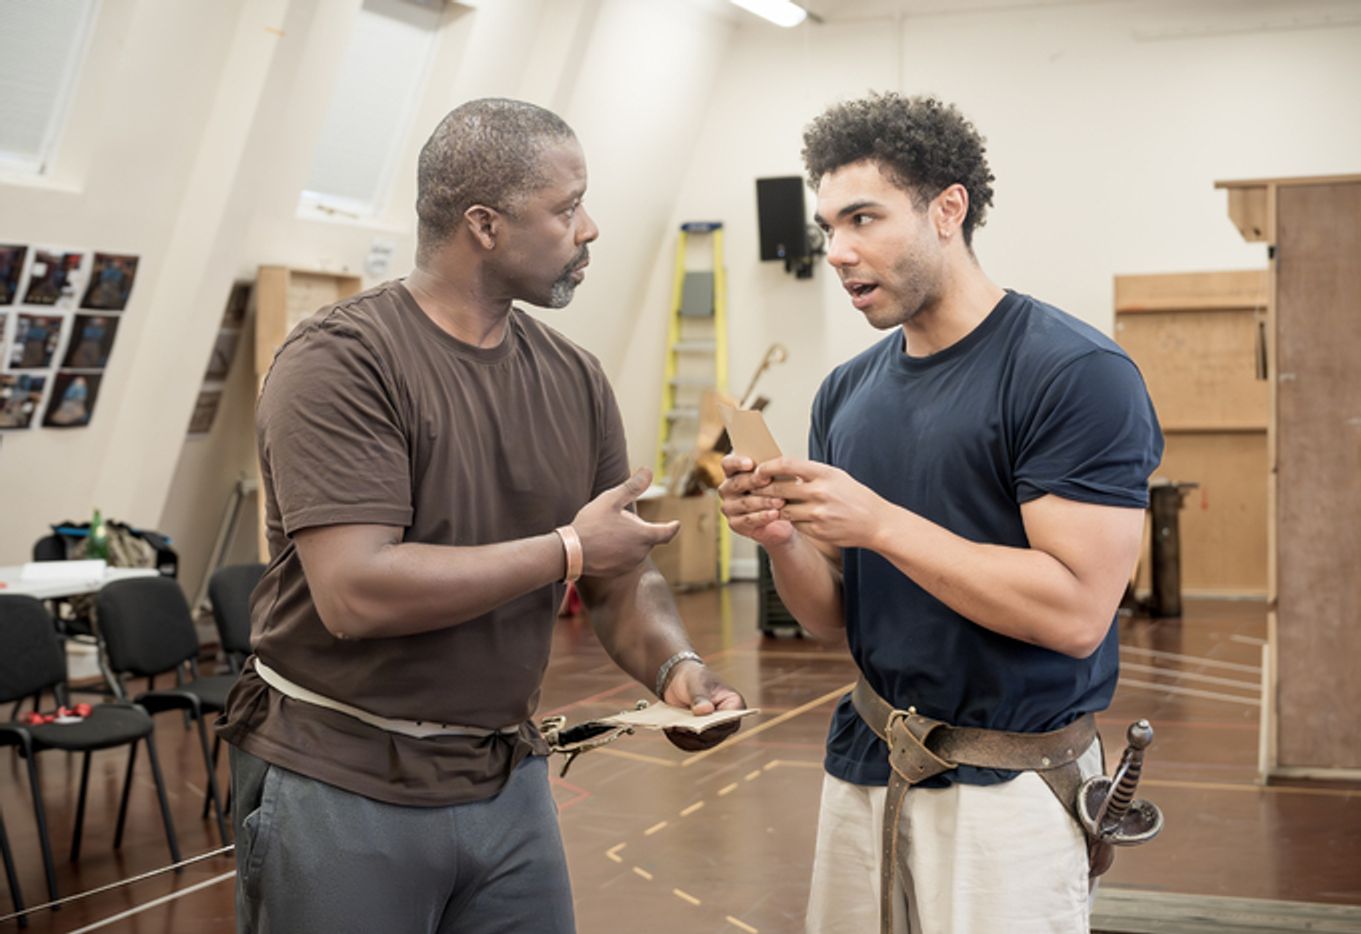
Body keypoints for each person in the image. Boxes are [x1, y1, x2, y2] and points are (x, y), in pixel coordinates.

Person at [216, 98, 744, 934]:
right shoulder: (340, 362)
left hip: (505, 782)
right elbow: (355, 592)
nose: (591, 228)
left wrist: (677, 669)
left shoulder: (573, 377)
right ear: (485, 226)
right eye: (567, 209)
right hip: (343, 778)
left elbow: (620, 576)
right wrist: (569, 548)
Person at [719, 92, 1162, 933]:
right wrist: (779, 538)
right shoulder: (846, 393)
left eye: (863, 219)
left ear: (948, 209)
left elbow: (1074, 613)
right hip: (867, 765)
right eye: (827, 229)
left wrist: (881, 522)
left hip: (1009, 793)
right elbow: (834, 619)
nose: (839, 253)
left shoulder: (1072, 374)